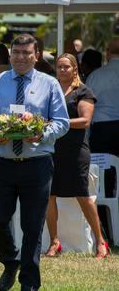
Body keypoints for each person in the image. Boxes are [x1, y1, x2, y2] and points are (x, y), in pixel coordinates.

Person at [0, 34, 69, 291]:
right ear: (9, 54)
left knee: (32, 227)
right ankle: (10, 261)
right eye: (16, 52)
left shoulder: (49, 84)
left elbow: (62, 122)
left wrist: (42, 133)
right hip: (2, 162)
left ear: (36, 55)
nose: (20, 57)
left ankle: (29, 284)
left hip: (36, 163)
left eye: (26, 53)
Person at [45, 53, 109, 259]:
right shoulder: (51, 90)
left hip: (75, 150)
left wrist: (57, 123)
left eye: (66, 67)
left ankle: (101, 242)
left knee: (83, 196)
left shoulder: (83, 91)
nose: (62, 70)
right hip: (52, 149)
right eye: (59, 67)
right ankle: (55, 242)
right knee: (49, 195)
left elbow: (85, 120)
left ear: (75, 69)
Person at [86, 38, 119, 201]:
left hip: (102, 130)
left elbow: (88, 105)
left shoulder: (96, 75)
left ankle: (105, 216)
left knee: (103, 173)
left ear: (107, 53)